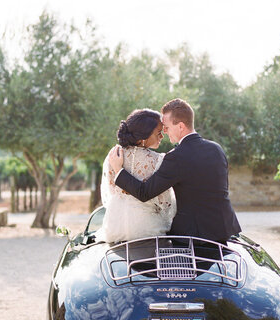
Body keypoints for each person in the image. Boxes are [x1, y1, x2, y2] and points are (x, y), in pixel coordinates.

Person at [109, 98, 241, 243]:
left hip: (192, 236)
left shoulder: (176, 157)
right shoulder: (216, 149)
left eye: (166, 127)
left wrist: (118, 170)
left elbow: (144, 192)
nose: (164, 132)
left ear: (180, 126)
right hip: (224, 229)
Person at [99, 109, 176, 243]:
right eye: (159, 133)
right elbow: (166, 202)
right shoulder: (158, 160)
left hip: (115, 226)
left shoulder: (114, 155)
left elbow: (111, 191)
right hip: (146, 228)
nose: (162, 137)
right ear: (143, 137)